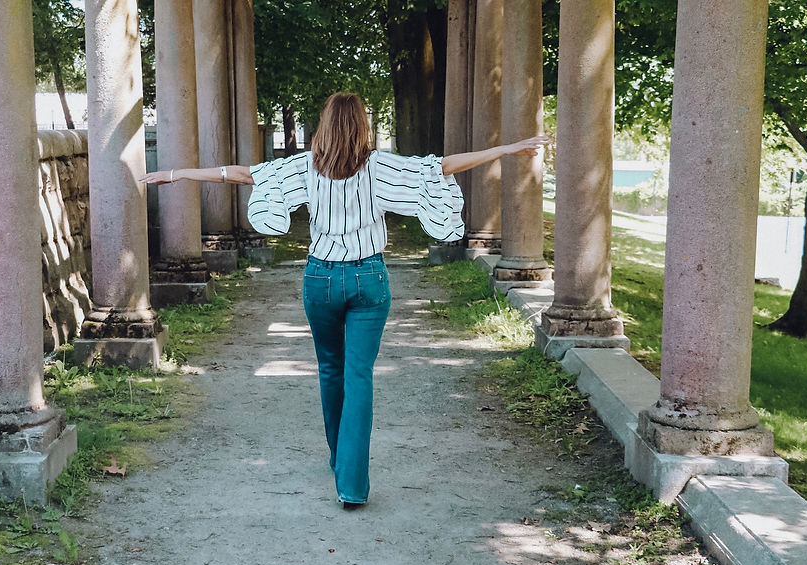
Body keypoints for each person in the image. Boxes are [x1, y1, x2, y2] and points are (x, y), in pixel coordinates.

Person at [141, 92, 548, 510]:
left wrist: (177, 173)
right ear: (362, 127)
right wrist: (506, 148)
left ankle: (339, 456)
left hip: (320, 279)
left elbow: (242, 175)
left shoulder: (303, 167)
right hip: (369, 279)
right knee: (359, 376)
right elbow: (443, 166)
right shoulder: (381, 166)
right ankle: (351, 483)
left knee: (329, 368)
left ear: (325, 126)